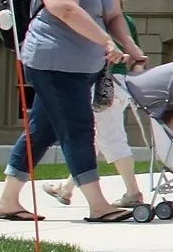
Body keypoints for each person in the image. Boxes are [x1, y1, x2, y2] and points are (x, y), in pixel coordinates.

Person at [0, 0, 147, 223]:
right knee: (79, 128)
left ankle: (7, 201)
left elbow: (114, 15)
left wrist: (130, 47)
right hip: (53, 63)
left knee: (41, 131)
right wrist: (106, 44)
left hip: (82, 66)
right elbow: (63, 6)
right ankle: (98, 205)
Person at [45, 50, 147, 210]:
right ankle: (66, 188)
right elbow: (137, 56)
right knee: (98, 138)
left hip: (104, 80)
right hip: (120, 81)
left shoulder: (102, 25)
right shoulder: (126, 25)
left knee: (112, 138)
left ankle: (133, 193)